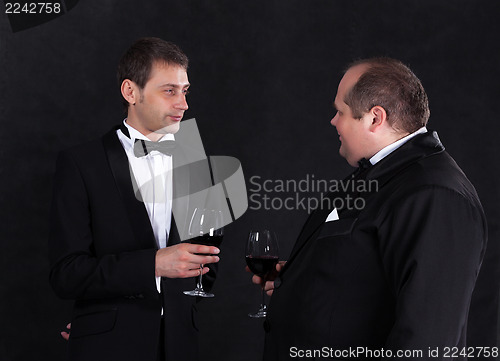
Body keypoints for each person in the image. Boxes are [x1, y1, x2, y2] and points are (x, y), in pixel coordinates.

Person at [252, 58, 488, 360]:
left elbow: (427, 339)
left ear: (375, 118)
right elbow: (362, 270)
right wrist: (298, 280)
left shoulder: (434, 193)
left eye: (341, 111)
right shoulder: (382, 174)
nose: (333, 121)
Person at [49, 37, 220, 361]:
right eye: (169, 90)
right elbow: (66, 274)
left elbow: (207, 270)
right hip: (106, 350)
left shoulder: (197, 163)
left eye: (185, 91)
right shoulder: (80, 164)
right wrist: (153, 265)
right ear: (130, 92)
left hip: (181, 348)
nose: (183, 104)